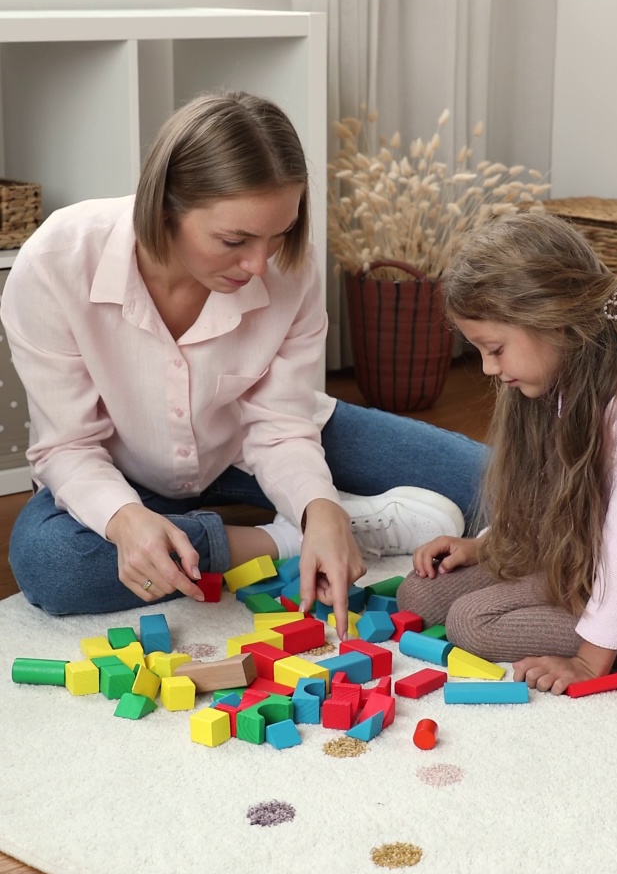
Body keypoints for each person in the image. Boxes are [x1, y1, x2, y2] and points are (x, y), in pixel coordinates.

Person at [1, 90, 489, 637]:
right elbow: (68, 447)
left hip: (258, 448)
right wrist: (125, 521)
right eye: (234, 240)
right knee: (53, 564)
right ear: (165, 207)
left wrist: (316, 502)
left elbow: (281, 426)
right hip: (125, 476)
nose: (260, 264)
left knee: (493, 482)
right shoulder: (55, 264)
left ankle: (323, 522)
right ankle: (301, 537)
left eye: (277, 235)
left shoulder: (287, 265)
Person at [396, 211, 617, 692]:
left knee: (472, 623)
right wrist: (486, 543)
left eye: (495, 348)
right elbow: (546, 493)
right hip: (588, 562)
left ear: (552, 321)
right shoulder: (554, 381)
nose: (487, 368)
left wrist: (591, 659)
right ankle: (608, 620)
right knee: (419, 593)